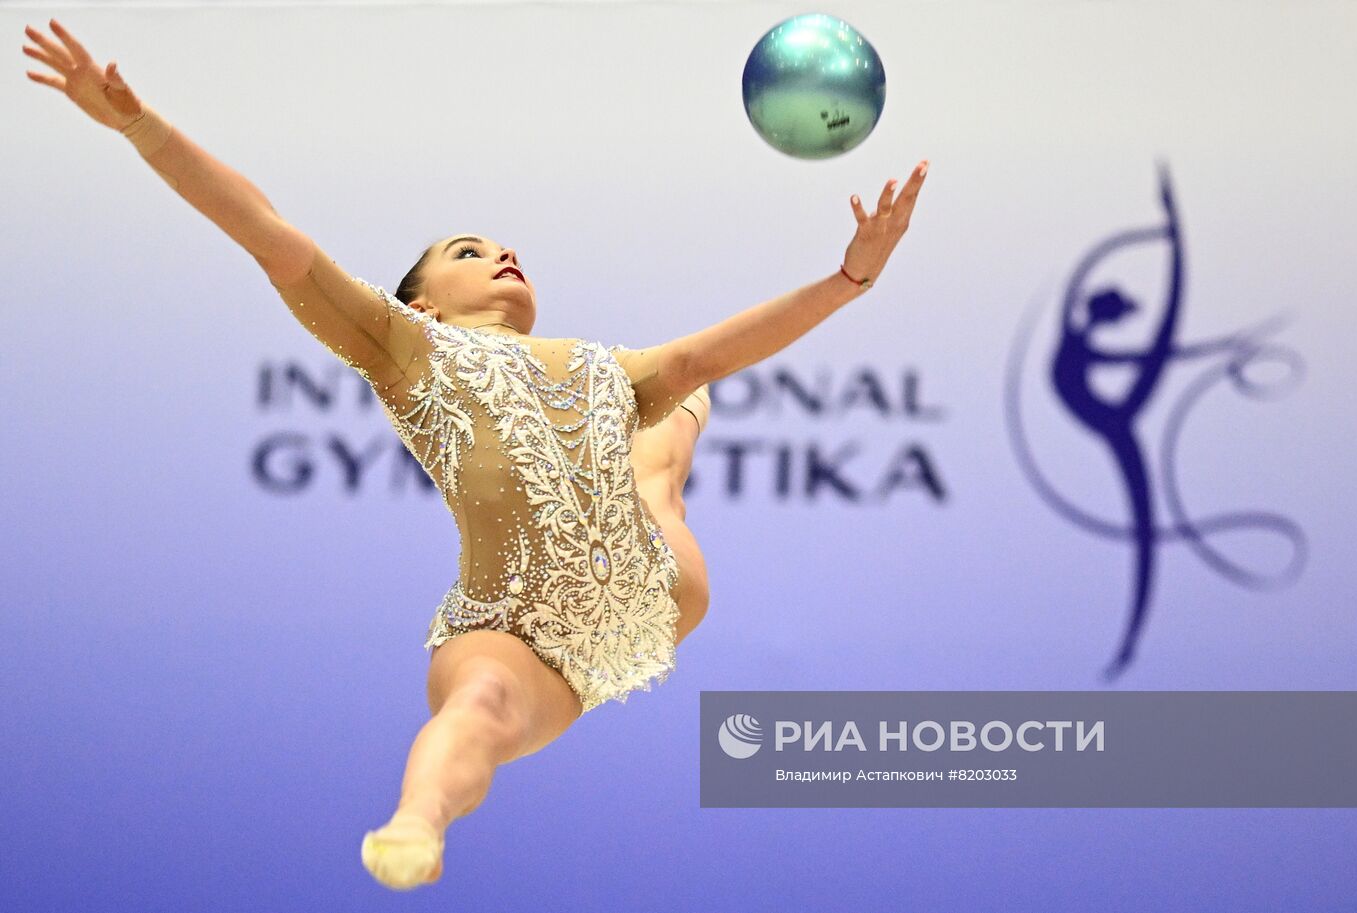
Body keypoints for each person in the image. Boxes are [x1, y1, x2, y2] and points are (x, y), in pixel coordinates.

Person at [23, 18, 928, 891]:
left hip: (652, 588)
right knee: (480, 707)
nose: (502, 255)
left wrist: (849, 279)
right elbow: (271, 234)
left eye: (506, 247)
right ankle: (417, 821)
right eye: (469, 250)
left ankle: (654, 469)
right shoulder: (404, 345)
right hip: (519, 632)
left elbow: (709, 351)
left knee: (672, 417)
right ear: (424, 304)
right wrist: (141, 125)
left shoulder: (601, 367)